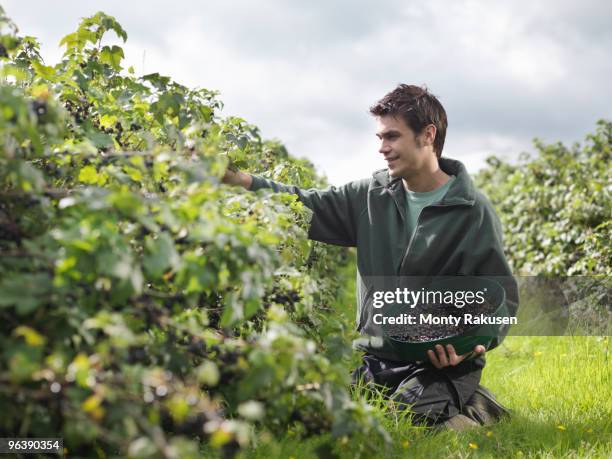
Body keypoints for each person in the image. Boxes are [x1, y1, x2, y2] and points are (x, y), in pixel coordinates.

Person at [223, 84, 518, 430]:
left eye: (392, 137)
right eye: (380, 138)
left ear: (428, 135)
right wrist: (236, 179)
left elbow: (499, 297)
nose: (382, 148)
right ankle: (452, 402)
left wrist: (471, 346)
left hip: (441, 365)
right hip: (377, 356)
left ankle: (477, 407)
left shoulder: (472, 211)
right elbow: (301, 204)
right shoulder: (369, 196)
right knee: (327, 420)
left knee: (402, 423)